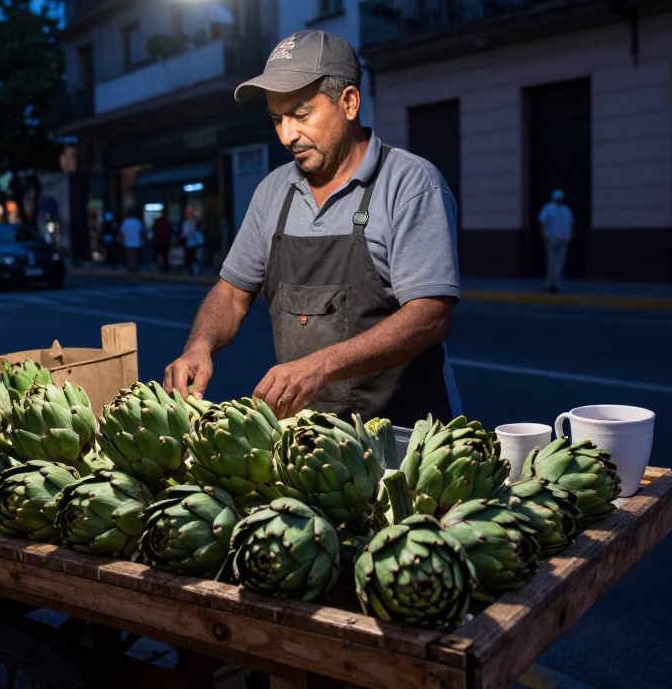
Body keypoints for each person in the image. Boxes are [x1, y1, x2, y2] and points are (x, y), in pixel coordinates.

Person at [163, 30, 462, 426]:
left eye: (301, 114)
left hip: (404, 432)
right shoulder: (273, 191)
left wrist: (322, 365)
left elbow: (431, 316)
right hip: (306, 440)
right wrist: (198, 346)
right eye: (277, 119)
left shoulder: (409, 183)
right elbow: (233, 293)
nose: (287, 134)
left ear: (349, 102)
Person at [538, 189, 576, 293]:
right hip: (552, 239)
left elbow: (571, 224)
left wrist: (570, 236)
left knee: (560, 262)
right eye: (558, 198)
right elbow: (542, 223)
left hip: (564, 239)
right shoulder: (548, 208)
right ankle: (551, 283)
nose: (560, 200)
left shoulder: (566, 210)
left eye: (561, 198)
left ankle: (557, 283)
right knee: (551, 262)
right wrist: (543, 235)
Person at [119, 209, 145, 275]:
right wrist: (142, 240)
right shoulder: (137, 222)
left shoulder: (126, 223)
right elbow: (142, 232)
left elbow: (123, 234)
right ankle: (135, 269)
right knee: (136, 257)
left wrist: (122, 241)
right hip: (137, 242)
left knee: (130, 257)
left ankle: (132, 269)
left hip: (128, 243)